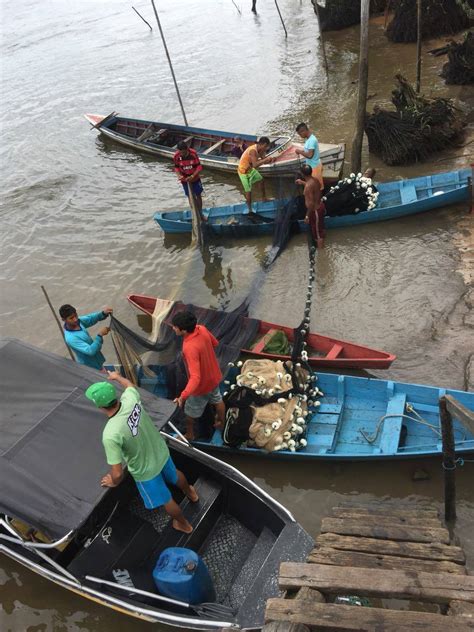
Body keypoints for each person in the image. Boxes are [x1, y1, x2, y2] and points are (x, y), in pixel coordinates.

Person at [86, 371, 198, 534]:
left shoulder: (110, 434)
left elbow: (117, 474)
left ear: (99, 406)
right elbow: (130, 386)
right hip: (160, 451)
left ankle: (183, 524)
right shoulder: (130, 399)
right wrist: (117, 377)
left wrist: (113, 482)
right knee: (175, 474)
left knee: (166, 499)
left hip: (146, 471)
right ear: (115, 397)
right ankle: (191, 493)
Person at [171, 311, 225, 441]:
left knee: (189, 413)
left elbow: (196, 377)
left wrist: (182, 397)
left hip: (201, 387)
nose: (173, 328)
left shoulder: (189, 347)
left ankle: (190, 434)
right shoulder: (202, 328)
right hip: (214, 376)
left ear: (183, 330)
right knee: (218, 400)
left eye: (175, 327)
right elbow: (215, 343)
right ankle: (221, 423)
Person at [60, 304, 112, 370]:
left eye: (76, 315)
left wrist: (103, 314)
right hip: (90, 367)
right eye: (71, 318)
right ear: (63, 319)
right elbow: (90, 351)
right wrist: (100, 335)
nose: (75, 319)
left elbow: (90, 319)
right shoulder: (71, 338)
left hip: (97, 362)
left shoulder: (78, 322)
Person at [237, 136, 276, 213]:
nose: (267, 149)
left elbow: (264, 159)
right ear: (264, 145)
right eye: (267, 147)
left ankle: (264, 198)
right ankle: (249, 209)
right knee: (248, 191)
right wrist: (265, 160)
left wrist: (271, 159)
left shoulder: (261, 150)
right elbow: (255, 165)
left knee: (261, 180)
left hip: (250, 169)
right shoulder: (253, 150)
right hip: (243, 171)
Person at [173, 141, 205, 219]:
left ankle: (200, 214)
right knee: (190, 197)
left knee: (198, 195)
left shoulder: (193, 154)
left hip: (195, 178)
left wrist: (193, 175)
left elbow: (199, 167)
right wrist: (179, 176)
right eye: (180, 152)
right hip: (184, 179)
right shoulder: (176, 156)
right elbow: (176, 167)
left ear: (187, 149)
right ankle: (195, 214)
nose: (182, 154)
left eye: (184, 153)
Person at [296, 164, 324, 248]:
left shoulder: (308, 186)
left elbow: (311, 203)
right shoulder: (315, 180)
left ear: (302, 174)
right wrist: (302, 182)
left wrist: (307, 216)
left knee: (318, 234)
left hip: (315, 210)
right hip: (319, 206)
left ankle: (322, 256)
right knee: (319, 229)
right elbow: (312, 187)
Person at [294, 123, 324, 190]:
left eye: (300, 134)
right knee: (313, 185)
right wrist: (302, 151)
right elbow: (309, 151)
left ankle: (320, 200)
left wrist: (299, 152)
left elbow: (310, 155)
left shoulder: (312, 140)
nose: (300, 136)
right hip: (312, 166)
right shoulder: (308, 139)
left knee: (317, 187)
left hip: (315, 167)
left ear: (303, 131)